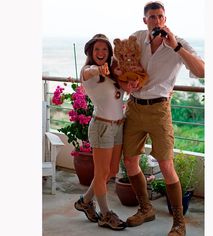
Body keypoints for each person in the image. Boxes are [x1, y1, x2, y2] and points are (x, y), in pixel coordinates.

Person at [118, 2, 205, 236]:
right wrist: (126, 82)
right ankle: (146, 209)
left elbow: (202, 71)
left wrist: (175, 46)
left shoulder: (179, 43)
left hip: (159, 110)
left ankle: (179, 223)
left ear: (165, 19)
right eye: (152, 17)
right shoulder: (136, 38)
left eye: (160, 16)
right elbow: (119, 63)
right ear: (144, 20)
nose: (157, 21)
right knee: (130, 162)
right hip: (134, 107)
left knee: (166, 165)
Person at [73, 34, 127, 231]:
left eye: (104, 49)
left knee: (111, 172)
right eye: (97, 49)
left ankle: (85, 201)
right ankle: (105, 215)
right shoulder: (88, 71)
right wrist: (98, 68)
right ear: (90, 52)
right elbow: (90, 71)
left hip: (118, 126)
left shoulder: (114, 73)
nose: (101, 53)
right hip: (102, 127)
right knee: (101, 172)